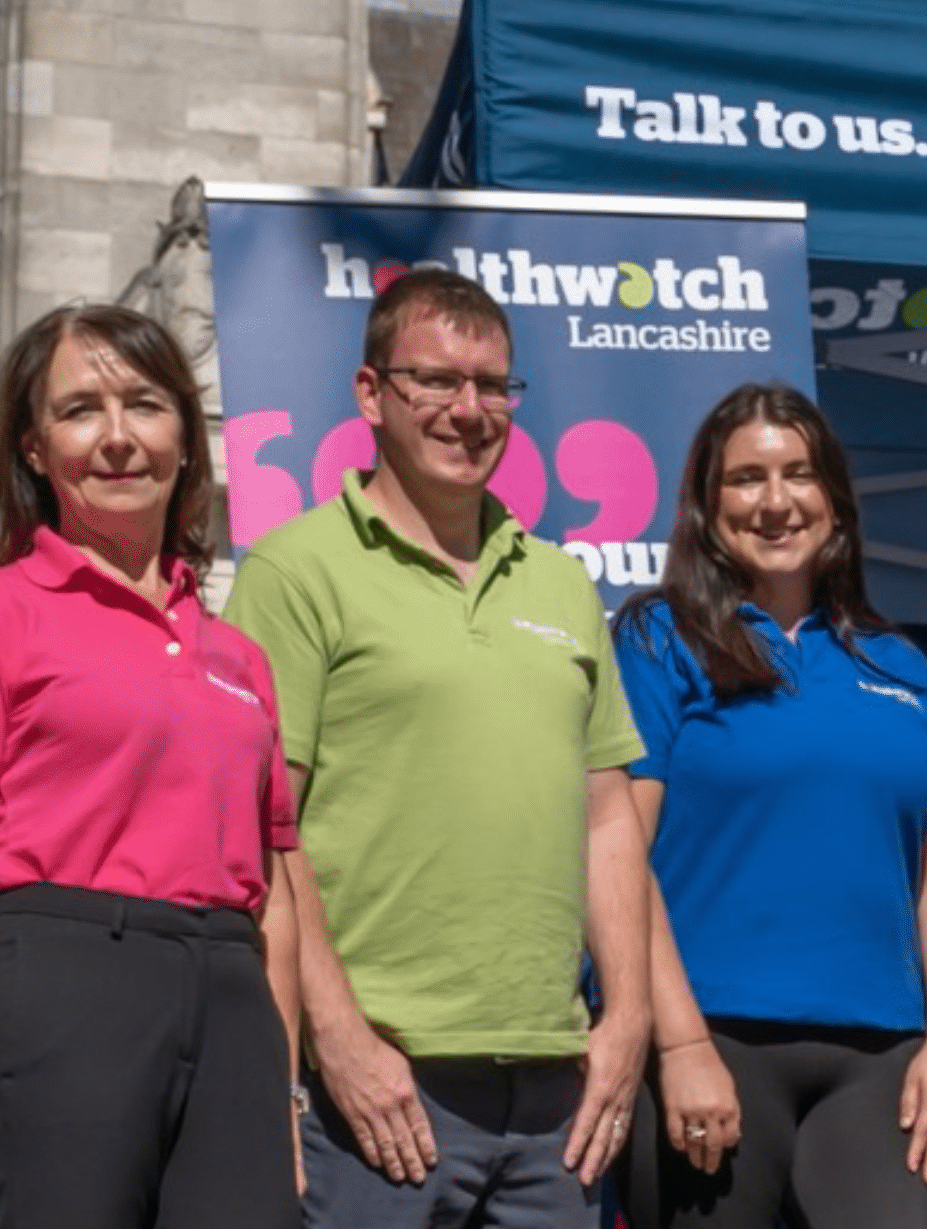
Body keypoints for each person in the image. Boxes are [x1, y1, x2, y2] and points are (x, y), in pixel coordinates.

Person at [226, 267, 657, 1227]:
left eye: (493, 385)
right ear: (371, 395)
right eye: (437, 381)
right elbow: (260, 834)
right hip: (381, 1091)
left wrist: (627, 1020)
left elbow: (607, 821)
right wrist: (334, 1037)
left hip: (559, 1094)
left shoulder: (560, 582)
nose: (470, 410)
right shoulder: (297, 571)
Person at [0, 304, 304, 1226]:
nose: (117, 438)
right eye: (80, 411)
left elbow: (274, 889)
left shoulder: (240, 657)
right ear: (35, 448)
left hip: (231, 999)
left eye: (145, 405)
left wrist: (284, 1094)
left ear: (187, 438)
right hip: (62, 979)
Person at [613, 385, 927, 1228]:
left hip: (882, 1059)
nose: (775, 501)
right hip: (712, 1041)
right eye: (746, 478)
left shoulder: (902, 668)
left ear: (835, 499)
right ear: (708, 507)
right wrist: (680, 1045)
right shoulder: (655, 640)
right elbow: (619, 855)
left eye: (799, 474)